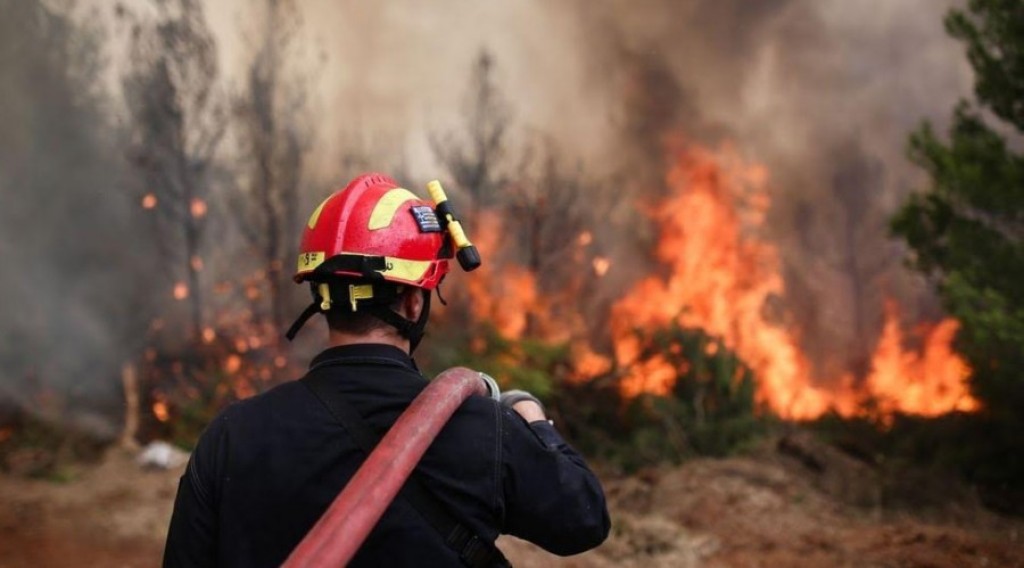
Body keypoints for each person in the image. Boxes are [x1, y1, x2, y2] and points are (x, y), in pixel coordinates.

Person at [163, 173, 610, 567]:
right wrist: (533, 419)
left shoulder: (233, 436)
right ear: (414, 302)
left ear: (321, 297)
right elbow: (584, 520)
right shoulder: (484, 432)